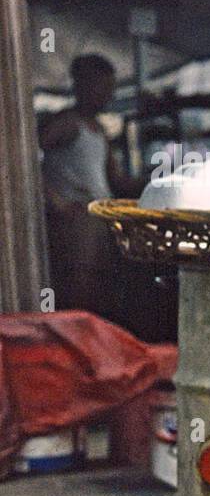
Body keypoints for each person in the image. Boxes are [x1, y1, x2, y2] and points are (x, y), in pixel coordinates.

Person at [39, 54, 136, 320]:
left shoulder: (99, 130)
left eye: (110, 87)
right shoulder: (66, 123)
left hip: (100, 219)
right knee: (78, 291)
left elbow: (115, 180)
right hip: (75, 221)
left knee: (101, 290)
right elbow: (29, 160)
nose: (107, 94)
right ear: (81, 85)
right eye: (101, 87)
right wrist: (56, 201)